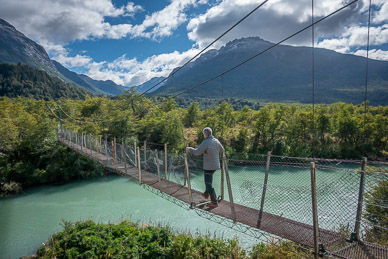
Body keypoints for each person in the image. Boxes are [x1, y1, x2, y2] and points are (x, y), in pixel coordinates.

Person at [186, 127, 224, 207]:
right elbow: (222, 150)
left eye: (203, 134)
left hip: (209, 166)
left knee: (208, 184)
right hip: (216, 165)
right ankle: (206, 195)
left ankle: (214, 202)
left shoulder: (206, 142)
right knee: (208, 182)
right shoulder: (216, 141)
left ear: (205, 134)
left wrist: (190, 149)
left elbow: (197, 152)